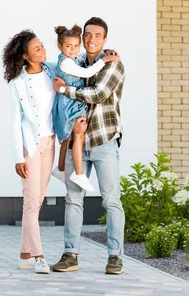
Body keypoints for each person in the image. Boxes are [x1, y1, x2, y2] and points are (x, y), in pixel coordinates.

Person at [51, 17, 126, 275]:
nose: (91, 39)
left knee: (111, 201)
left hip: (104, 141)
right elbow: (57, 71)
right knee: (73, 199)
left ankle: (115, 257)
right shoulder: (75, 61)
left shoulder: (113, 65)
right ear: (82, 38)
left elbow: (97, 94)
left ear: (105, 39)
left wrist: (65, 90)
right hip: (78, 143)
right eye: (88, 35)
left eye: (97, 35)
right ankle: (70, 254)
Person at [3, 30, 55, 274]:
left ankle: (24, 254)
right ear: (25, 55)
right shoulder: (18, 82)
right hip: (30, 147)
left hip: (51, 143)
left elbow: (76, 67)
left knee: (37, 201)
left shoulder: (52, 71)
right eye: (37, 49)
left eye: (42, 46)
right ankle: (39, 257)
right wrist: (18, 157)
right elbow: (15, 122)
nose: (43, 50)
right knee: (31, 203)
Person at [51, 25, 119, 192]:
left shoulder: (74, 59)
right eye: (69, 46)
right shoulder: (69, 62)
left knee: (67, 138)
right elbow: (87, 73)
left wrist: (105, 52)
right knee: (78, 135)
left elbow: (97, 92)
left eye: (76, 45)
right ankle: (78, 173)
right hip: (71, 105)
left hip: (76, 111)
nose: (73, 49)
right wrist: (104, 60)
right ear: (60, 47)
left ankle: (60, 170)